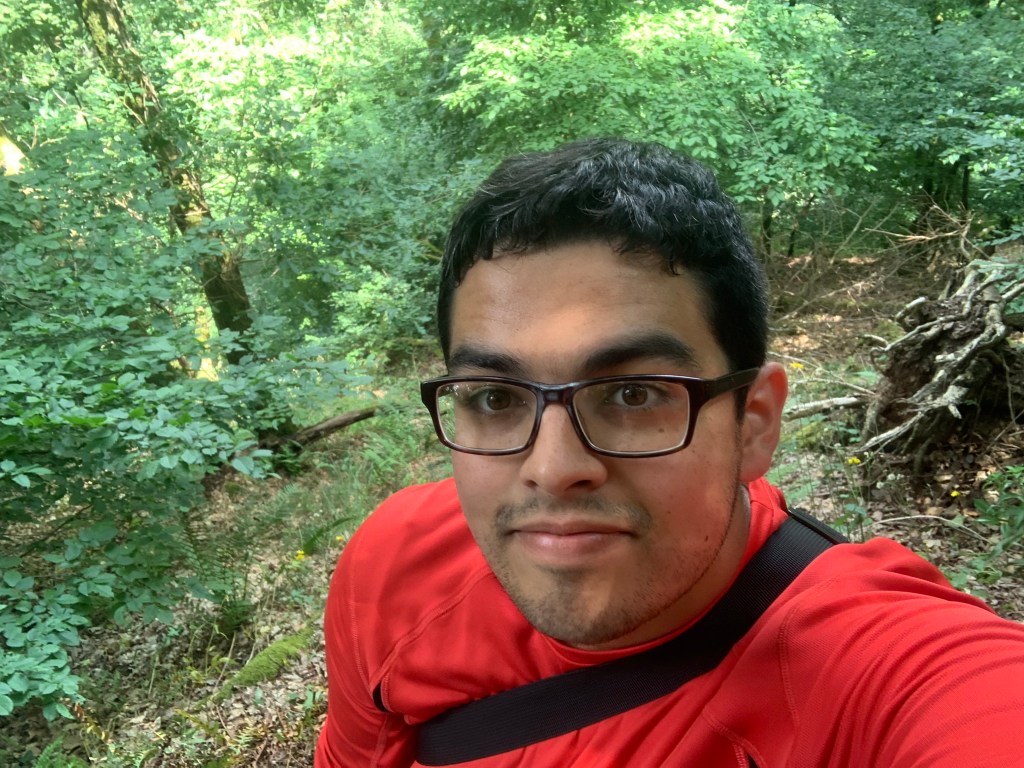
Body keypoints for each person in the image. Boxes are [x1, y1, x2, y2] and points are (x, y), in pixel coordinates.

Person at [315, 138, 1024, 767]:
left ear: (753, 423)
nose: (553, 470)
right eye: (496, 398)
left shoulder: (884, 674)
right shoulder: (398, 563)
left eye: (634, 395)